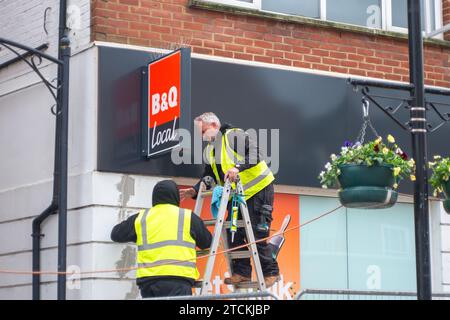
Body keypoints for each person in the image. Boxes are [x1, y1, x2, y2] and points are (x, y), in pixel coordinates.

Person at [179, 112, 280, 288]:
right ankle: (242, 273)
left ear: (214, 125)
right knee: (231, 232)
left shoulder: (233, 135)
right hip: (239, 195)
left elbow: (257, 153)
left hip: (259, 189)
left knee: (257, 233)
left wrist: (237, 167)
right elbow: (209, 175)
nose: (202, 137)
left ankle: (271, 272)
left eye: (203, 131)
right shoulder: (210, 150)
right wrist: (195, 190)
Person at [111, 180, 212, 298]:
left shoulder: (141, 218)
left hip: (149, 283)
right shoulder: (187, 217)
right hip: (178, 281)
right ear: (175, 196)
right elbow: (207, 242)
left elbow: (116, 234)